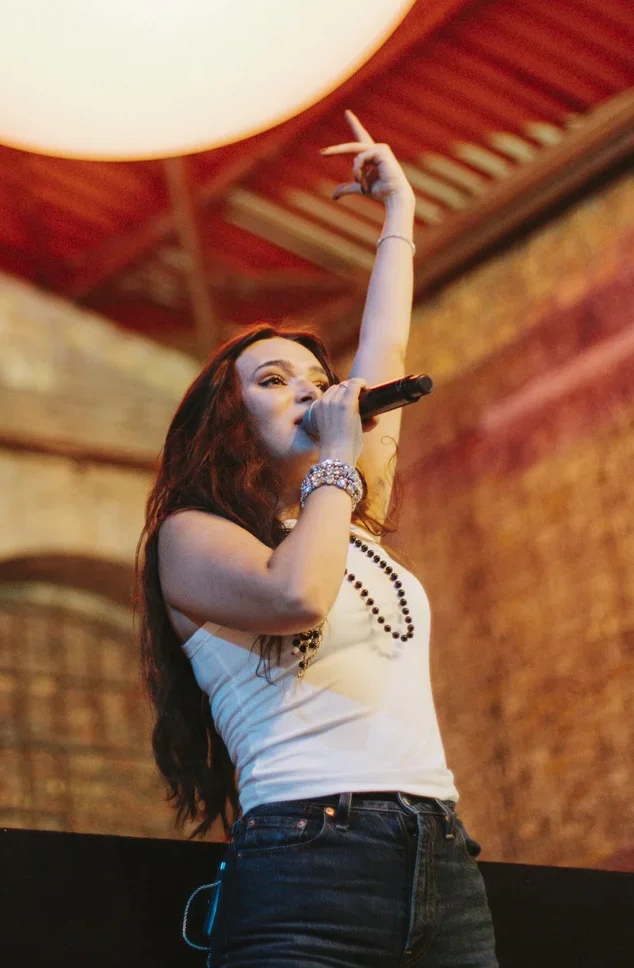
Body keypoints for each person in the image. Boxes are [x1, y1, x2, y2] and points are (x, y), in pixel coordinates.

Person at [139, 112, 498, 966]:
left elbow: (385, 347)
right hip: (309, 856)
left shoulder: (338, 509)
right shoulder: (190, 538)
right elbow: (294, 595)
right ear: (227, 424)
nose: (310, 389)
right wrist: (340, 457)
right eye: (273, 380)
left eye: (317, 378)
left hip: (441, 852)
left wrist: (398, 214)